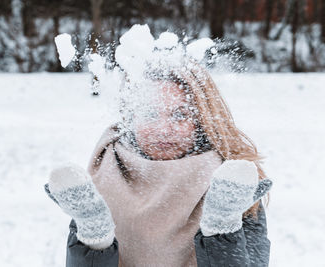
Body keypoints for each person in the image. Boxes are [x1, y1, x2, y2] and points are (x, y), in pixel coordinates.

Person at [44, 61, 273, 267]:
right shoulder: (102, 177)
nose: (164, 130)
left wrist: (222, 230)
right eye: (151, 114)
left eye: (181, 115)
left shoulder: (232, 184)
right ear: (131, 117)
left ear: (202, 119)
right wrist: (94, 236)